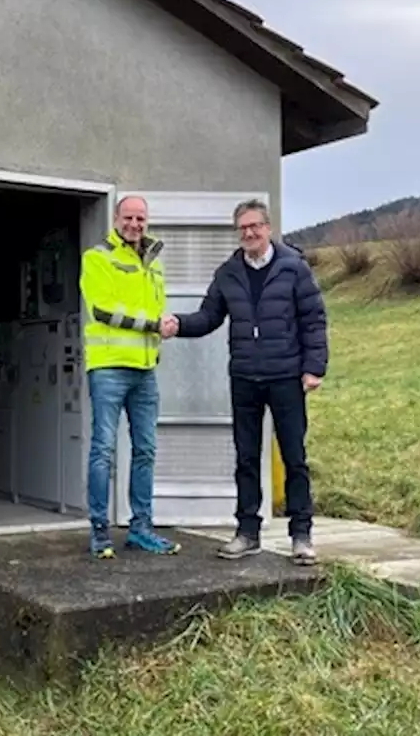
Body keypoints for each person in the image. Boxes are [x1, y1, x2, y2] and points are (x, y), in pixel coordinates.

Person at [160, 198, 327, 565]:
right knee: (246, 458)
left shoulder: (293, 268)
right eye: (243, 228)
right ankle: (247, 532)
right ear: (238, 233)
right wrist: (178, 325)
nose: (249, 233)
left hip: (285, 377)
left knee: (294, 457)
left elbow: (314, 319)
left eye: (255, 226)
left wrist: (314, 367)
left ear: (268, 228)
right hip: (245, 379)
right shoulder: (227, 273)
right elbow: (208, 317)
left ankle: (302, 536)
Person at [78, 195, 180, 559]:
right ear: (116, 218)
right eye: (128, 217)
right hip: (108, 368)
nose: (134, 224)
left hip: (145, 370)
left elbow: (153, 308)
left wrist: (164, 325)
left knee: (146, 450)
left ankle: (141, 529)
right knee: (103, 450)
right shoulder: (98, 257)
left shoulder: (153, 263)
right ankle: (100, 533)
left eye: (140, 218)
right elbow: (103, 310)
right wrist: (155, 324)